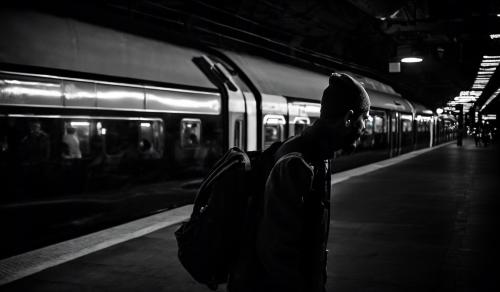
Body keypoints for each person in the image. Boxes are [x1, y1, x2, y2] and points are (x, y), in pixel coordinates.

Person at [228, 73, 371, 292]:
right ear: (349, 118)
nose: (366, 127)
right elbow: (276, 251)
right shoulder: (298, 164)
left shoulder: (317, 155)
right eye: (366, 117)